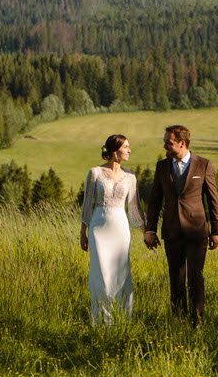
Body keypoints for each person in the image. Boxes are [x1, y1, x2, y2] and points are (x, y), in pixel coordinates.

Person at [144, 124, 218, 328]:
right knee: (176, 278)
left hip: (197, 231)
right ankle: (178, 321)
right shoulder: (162, 166)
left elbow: (213, 200)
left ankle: (197, 320)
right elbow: (154, 200)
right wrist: (150, 230)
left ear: (182, 143)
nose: (165, 147)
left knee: (196, 277)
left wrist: (216, 231)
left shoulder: (203, 165)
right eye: (164, 143)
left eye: (168, 143)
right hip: (171, 230)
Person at [79, 134, 146, 325]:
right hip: (98, 227)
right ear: (115, 151)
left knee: (120, 272)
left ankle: (122, 319)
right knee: (101, 273)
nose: (129, 150)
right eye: (126, 147)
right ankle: (101, 320)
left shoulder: (130, 176)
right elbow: (87, 204)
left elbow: (135, 207)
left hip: (121, 228)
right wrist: (82, 231)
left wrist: (145, 233)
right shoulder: (95, 173)